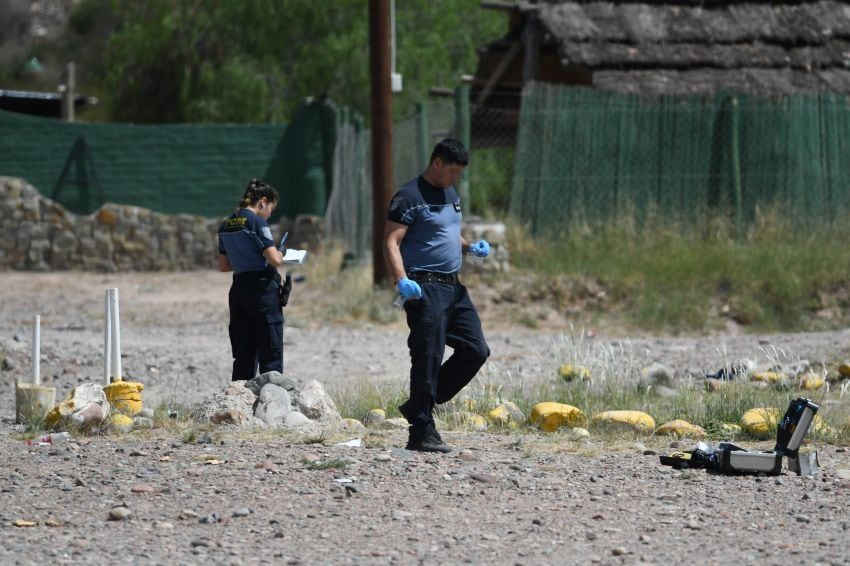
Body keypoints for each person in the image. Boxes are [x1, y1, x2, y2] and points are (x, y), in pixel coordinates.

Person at [383, 138, 491, 453]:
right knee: (428, 354)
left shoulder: (450, 193)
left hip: (454, 287)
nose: (455, 178)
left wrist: (470, 247)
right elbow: (391, 242)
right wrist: (401, 281)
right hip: (423, 285)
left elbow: (447, 232)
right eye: (452, 171)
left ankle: (419, 404)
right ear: (437, 163)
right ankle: (421, 431)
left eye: (459, 173)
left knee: (476, 349)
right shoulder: (408, 197)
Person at [217, 178, 287, 381]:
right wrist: (281, 251)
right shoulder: (257, 222)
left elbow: (223, 266)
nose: (270, 214)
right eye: (271, 208)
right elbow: (275, 260)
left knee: (243, 353)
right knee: (270, 351)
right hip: (263, 291)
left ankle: (240, 395)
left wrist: (244, 258)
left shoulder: (226, 225)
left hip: (239, 291)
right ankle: (271, 396)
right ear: (263, 201)